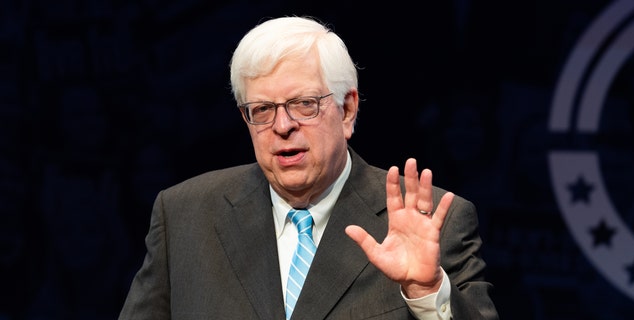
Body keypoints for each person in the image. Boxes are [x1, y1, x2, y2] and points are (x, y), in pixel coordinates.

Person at [118, 15, 499, 320]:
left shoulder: (432, 220)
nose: (282, 126)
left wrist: (426, 293)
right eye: (262, 110)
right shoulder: (185, 214)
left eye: (303, 104)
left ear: (347, 110)